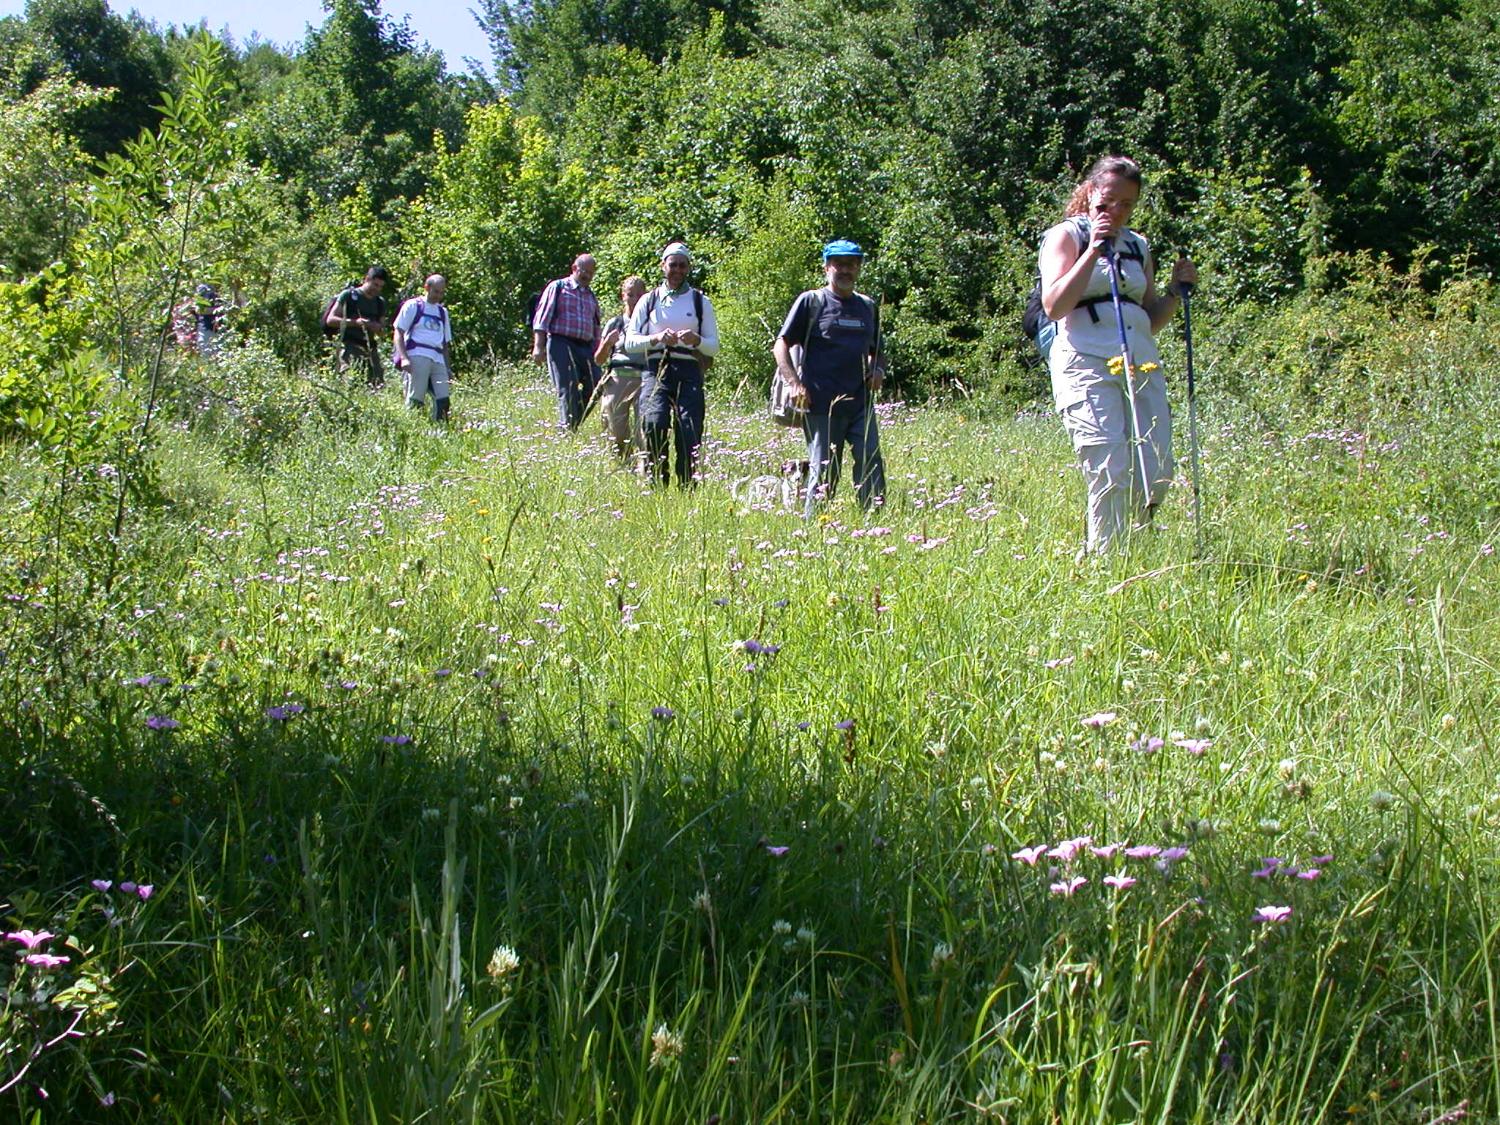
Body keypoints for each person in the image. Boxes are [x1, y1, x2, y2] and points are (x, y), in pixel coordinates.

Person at [1038, 155, 1197, 556]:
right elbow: (1054, 306)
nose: (1117, 211)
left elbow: (1147, 316)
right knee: (1109, 463)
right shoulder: (1066, 235)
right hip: (1084, 358)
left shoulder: (1137, 245)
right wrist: (1093, 250)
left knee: (1155, 467)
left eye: (1127, 204)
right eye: (1109, 201)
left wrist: (1176, 294)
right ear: (1091, 192)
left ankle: (1136, 548)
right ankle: (1106, 562)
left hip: (1139, 357)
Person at [772, 239, 887, 518]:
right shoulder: (812, 302)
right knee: (824, 470)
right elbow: (781, 345)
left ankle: (873, 523)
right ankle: (815, 530)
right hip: (821, 404)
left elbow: (878, 350)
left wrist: (878, 369)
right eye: (839, 264)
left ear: (858, 268)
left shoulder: (867, 307)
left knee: (871, 461)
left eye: (852, 264)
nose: (845, 270)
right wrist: (794, 383)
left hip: (860, 404)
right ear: (827, 267)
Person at [626, 243, 720, 486]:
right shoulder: (649, 300)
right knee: (653, 423)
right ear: (663, 266)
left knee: (689, 430)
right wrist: (656, 339)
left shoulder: (701, 302)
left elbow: (713, 346)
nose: (677, 270)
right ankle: (657, 479)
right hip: (656, 368)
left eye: (682, 265)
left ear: (688, 268)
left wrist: (696, 340)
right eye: (673, 264)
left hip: (689, 369)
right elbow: (631, 342)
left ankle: (687, 485)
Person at [531, 254, 602, 431]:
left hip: (585, 347)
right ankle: (567, 428)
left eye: (590, 273)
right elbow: (542, 318)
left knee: (596, 384)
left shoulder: (591, 296)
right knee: (567, 388)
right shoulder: (558, 287)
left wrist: (598, 352)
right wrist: (538, 347)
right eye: (583, 271)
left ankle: (571, 424)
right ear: (574, 268)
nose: (586, 275)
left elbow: (596, 327)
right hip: (560, 343)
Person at [593, 275, 648, 464]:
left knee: (645, 429)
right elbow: (598, 359)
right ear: (623, 296)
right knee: (615, 429)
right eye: (630, 295)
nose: (634, 300)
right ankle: (623, 466)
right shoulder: (614, 324)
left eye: (639, 296)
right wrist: (608, 343)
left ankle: (645, 472)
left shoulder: (650, 324)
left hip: (643, 378)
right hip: (617, 378)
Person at [393, 274, 453, 422]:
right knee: (416, 397)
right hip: (417, 354)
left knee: (443, 398)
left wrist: (448, 367)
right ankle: (412, 426)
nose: (438, 295)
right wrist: (404, 358)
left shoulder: (442, 312)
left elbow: (445, 343)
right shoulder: (413, 305)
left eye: (441, 292)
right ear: (427, 288)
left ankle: (441, 430)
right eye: (436, 291)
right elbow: (398, 332)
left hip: (437, 358)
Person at [326, 266, 390, 388]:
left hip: (370, 348)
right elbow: (331, 320)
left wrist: (377, 327)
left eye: (380, 286)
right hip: (349, 345)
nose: (377, 289)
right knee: (351, 382)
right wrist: (356, 322)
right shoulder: (349, 296)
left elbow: (382, 331)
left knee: (378, 384)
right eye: (375, 285)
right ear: (367, 279)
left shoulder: (379, 302)